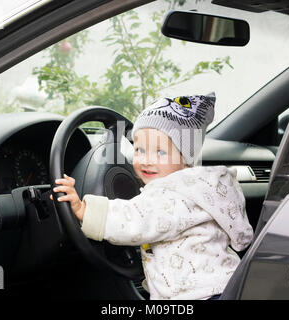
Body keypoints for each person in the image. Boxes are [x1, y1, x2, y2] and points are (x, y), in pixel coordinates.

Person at [52, 93, 254, 300]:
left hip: (196, 295)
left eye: (160, 153)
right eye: (139, 150)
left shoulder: (173, 195)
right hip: (222, 286)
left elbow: (135, 220)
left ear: (186, 158)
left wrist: (83, 210)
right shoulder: (203, 188)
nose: (146, 161)